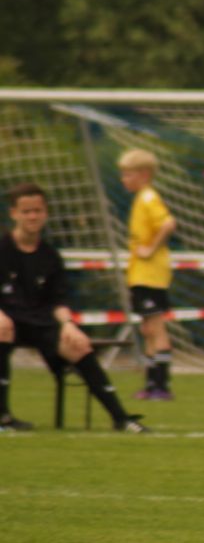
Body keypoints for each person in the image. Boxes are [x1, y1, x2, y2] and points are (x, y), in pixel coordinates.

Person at [0, 183, 147, 433]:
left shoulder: (50, 256)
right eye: (26, 211)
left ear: (45, 213)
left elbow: (59, 302)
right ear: (14, 213)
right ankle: (2, 416)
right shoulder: (3, 248)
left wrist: (69, 325)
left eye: (37, 211)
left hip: (38, 322)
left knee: (78, 343)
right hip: (7, 322)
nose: (32, 216)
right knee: (2, 327)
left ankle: (121, 419)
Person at [119, 149, 177, 400]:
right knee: (148, 329)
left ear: (144, 174)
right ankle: (151, 383)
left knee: (156, 328)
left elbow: (168, 223)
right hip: (140, 275)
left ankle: (161, 386)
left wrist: (151, 248)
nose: (124, 179)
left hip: (150, 275)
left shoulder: (148, 197)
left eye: (128, 174)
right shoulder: (141, 198)